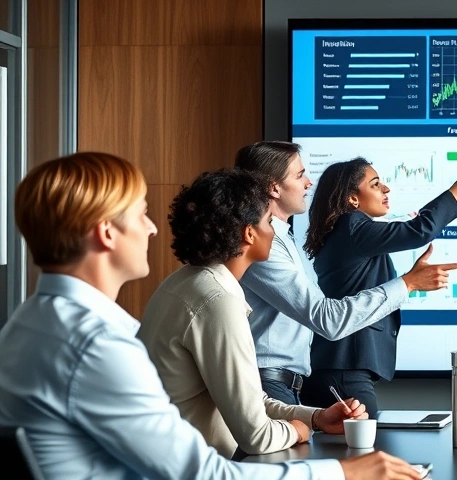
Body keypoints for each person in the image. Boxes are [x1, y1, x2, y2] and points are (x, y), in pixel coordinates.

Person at [0, 152, 424, 480]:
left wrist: (311, 418)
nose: (151, 229)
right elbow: (203, 474)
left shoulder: (32, 324)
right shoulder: (97, 345)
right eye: (140, 213)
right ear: (105, 232)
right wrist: (344, 471)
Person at [138, 169, 367, 459]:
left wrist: (316, 418)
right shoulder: (217, 300)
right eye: (269, 221)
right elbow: (257, 436)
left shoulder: (186, 282)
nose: (274, 231)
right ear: (249, 233)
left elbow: (249, 400)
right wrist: (299, 429)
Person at [235, 141, 457, 405]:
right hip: (298, 377)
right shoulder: (343, 228)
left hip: (298, 380)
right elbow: (326, 318)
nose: (308, 183)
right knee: (365, 444)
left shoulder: (284, 238)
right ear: (274, 188)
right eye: (300, 175)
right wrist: (408, 283)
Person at [301, 158, 457, 415]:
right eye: (375, 184)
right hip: (343, 372)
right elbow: (419, 231)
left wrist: (412, 279)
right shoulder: (352, 226)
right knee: (365, 452)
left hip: (338, 369)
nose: (386, 189)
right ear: (353, 199)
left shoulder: (346, 232)